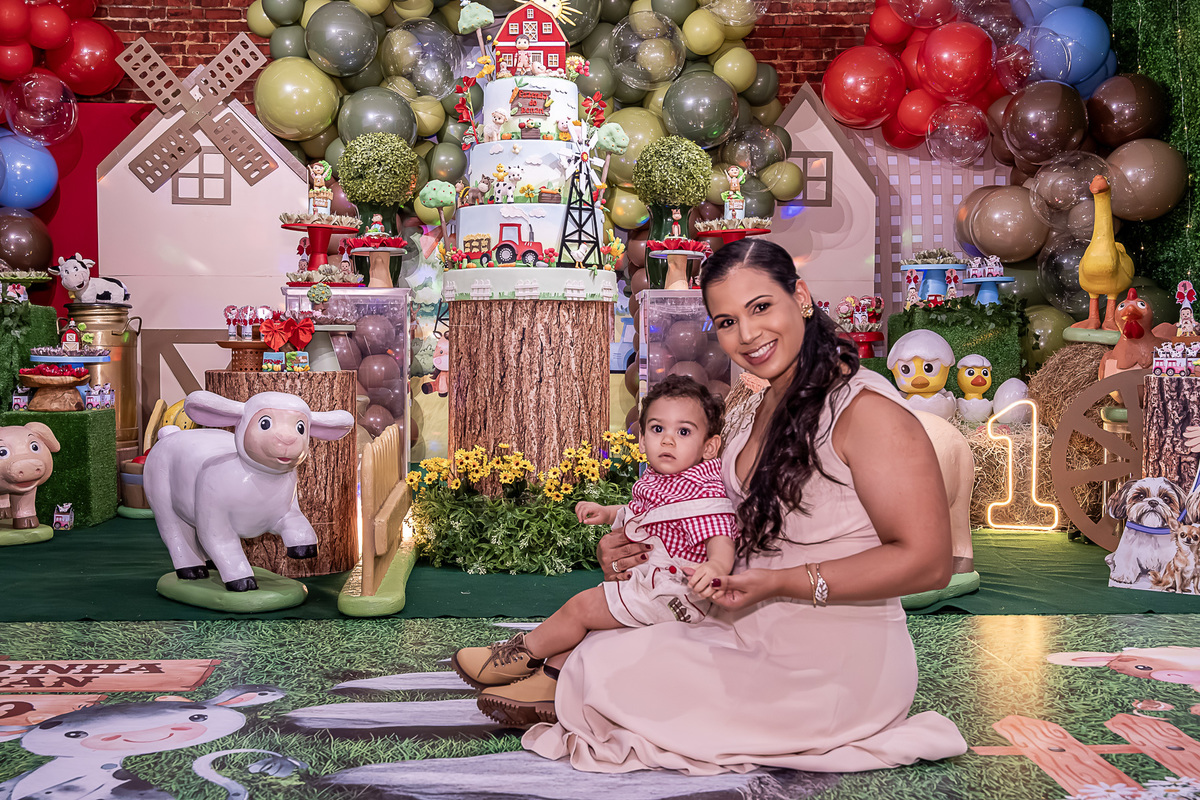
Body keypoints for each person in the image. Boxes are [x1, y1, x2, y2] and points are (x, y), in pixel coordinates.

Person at [495, 237, 967, 773]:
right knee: (594, 647)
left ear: (803, 297)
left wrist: (782, 582)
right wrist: (634, 544)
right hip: (741, 623)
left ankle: (572, 691)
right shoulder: (753, 404)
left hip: (832, 667)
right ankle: (570, 682)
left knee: (597, 667)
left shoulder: (869, 413)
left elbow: (928, 562)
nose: (747, 335)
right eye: (726, 321)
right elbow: (716, 519)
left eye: (761, 307)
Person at [452, 375, 739, 726]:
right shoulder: (666, 480)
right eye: (657, 428)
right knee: (595, 624)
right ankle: (553, 681)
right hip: (655, 585)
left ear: (709, 447)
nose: (667, 439)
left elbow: (720, 531)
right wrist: (608, 513)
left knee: (582, 608)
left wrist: (718, 566)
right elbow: (645, 515)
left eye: (683, 432)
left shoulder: (700, 489)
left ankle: (519, 654)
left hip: (675, 594)